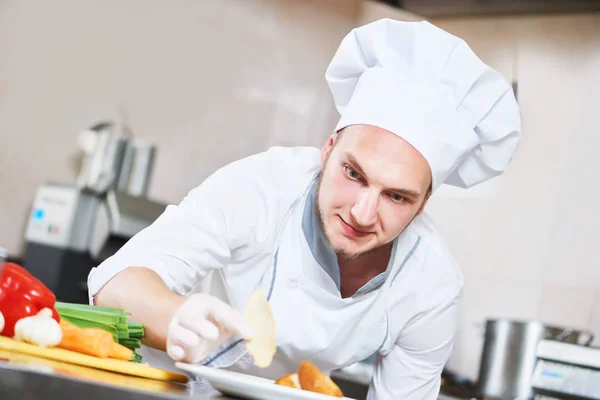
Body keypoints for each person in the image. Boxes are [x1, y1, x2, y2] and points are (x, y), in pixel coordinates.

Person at [88, 18, 521, 399]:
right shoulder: (263, 187)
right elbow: (116, 282)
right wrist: (175, 317)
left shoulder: (431, 286)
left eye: (397, 196)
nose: (363, 213)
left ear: (425, 202)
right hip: (165, 388)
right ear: (328, 149)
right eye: (353, 173)